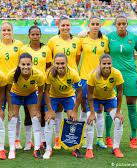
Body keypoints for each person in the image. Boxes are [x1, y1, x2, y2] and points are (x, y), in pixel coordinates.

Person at [105, 15, 137, 149]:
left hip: (130, 75)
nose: (122, 26)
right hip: (112, 75)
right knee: (110, 106)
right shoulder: (109, 37)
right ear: (115, 25)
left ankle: (133, 136)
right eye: (119, 24)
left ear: (127, 24)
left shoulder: (134, 37)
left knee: (131, 105)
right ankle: (107, 136)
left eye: (124, 24)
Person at [47, 15, 82, 150]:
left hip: (71, 78)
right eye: (63, 25)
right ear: (59, 27)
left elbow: (77, 58)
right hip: (56, 77)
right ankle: (57, 138)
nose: (65, 28)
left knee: (72, 111)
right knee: (58, 109)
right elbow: (50, 61)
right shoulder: (52, 41)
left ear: (70, 27)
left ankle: (72, 141)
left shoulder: (77, 41)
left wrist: (70, 70)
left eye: (68, 25)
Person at [0, 22, 24, 150]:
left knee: (15, 112)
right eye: (4, 30)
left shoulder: (19, 45)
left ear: (12, 31)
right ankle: (0, 141)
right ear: (0, 31)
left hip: (15, 83)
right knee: (0, 112)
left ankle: (16, 139)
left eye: (8, 30)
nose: (6, 32)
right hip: (0, 84)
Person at [43, 53, 83, 159]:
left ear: (66, 63)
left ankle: (75, 148)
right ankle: (48, 149)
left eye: (62, 63)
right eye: (57, 63)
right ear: (54, 63)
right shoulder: (49, 73)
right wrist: (50, 110)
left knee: (73, 118)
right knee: (48, 120)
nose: (60, 66)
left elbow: (79, 92)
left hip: (68, 96)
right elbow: (46, 91)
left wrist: (74, 110)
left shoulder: (73, 73)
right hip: (53, 97)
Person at [6, 53, 45, 159]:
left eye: (28, 64)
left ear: (32, 64)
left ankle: (37, 149)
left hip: (31, 94)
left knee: (36, 119)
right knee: (12, 119)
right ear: (19, 64)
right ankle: (12, 149)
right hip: (16, 94)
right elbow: (7, 91)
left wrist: (37, 109)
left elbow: (41, 92)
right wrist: (10, 109)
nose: (26, 67)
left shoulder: (38, 74)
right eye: (23, 64)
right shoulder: (12, 74)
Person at [85, 54, 124, 158]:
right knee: (90, 120)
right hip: (95, 99)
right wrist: (93, 113)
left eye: (109, 63)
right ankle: (89, 149)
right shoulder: (93, 75)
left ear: (112, 64)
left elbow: (120, 93)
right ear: (100, 64)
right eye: (104, 64)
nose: (107, 66)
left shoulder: (116, 73)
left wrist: (118, 112)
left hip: (110, 99)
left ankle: (116, 148)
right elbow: (89, 95)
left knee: (118, 120)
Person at [79, 16, 109, 149]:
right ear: (89, 26)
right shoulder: (82, 40)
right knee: (85, 108)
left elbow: (108, 58)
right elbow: (75, 57)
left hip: (101, 78)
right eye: (93, 24)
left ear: (100, 26)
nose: (95, 26)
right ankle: (84, 138)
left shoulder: (105, 40)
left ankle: (100, 138)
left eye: (97, 24)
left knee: (100, 108)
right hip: (85, 77)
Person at [20, 25, 52, 150]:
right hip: (27, 86)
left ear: (40, 35)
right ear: (29, 36)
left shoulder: (46, 49)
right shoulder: (24, 49)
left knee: (42, 113)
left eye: (37, 34)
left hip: (42, 86)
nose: (35, 36)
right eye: (32, 34)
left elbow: (49, 66)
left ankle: (43, 141)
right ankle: (29, 141)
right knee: (28, 114)